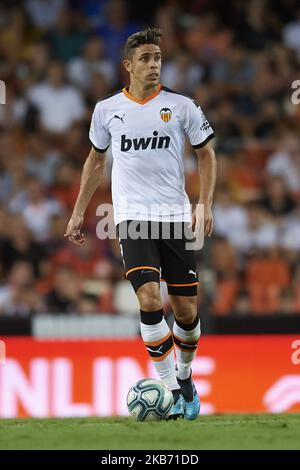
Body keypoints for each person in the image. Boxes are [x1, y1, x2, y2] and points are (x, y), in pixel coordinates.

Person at [65, 27, 217, 420]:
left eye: (158, 58)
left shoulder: (181, 106)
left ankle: (184, 377)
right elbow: (96, 161)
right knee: (149, 300)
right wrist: (79, 211)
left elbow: (207, 154)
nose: (154, 65)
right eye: (146, 59)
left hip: (175, 218)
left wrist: (205, 204)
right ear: (128, 65)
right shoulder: (106, 110)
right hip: (132, 218)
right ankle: (168, 388)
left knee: (185, 313)